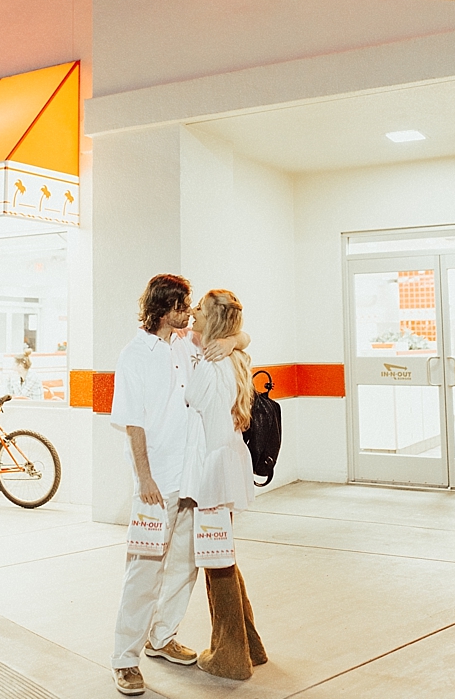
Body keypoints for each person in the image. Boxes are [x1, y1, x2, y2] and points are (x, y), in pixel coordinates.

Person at [109, 274, 247, 696]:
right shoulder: (134, 356)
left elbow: (236, 333)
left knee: (187, 562)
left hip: (194, 478)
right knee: (144, 570)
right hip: (157, 481)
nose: (189, 312)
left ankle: (161, 636)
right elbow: (132, 424)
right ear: (165, 309)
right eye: (183, 305)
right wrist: (145, 477)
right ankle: (125, 660)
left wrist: (236, 340)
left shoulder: (187, 345)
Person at [184, 289, 267, 679]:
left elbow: (193, 403)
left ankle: (231, 656)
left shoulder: (209, 362)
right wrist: (235, 337)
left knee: (217, 563)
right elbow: (242, 336)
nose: (192, 314)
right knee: (224, 558)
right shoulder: (233, 357)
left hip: (213, 472)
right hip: (230, 465)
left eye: (199, 310)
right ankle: (249, 645)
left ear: (213, 319)